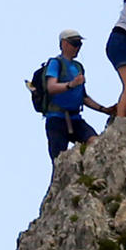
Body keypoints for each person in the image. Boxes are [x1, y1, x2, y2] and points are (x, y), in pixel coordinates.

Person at [32, 29, 112, 162]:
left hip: (75, 118)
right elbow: (51, 87)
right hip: (56, 119)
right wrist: (71, 84)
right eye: (75, 43)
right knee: (59, 160)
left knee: (95, 143)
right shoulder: (55, 63)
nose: (78, 47)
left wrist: (104, 109)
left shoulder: (78, 66)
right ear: (64, 44)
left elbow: (83, 97)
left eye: (79, 44)